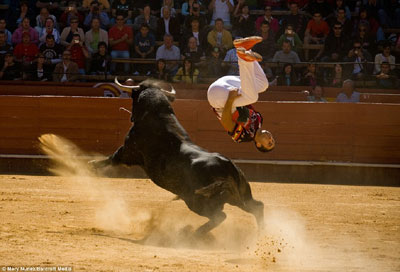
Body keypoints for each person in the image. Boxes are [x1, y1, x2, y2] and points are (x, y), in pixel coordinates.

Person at [207, 36, 275, 152]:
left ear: (258, 145)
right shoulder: (259, 119)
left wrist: (229, 100)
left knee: (253, 97)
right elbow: (245, 98)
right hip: (227, 84)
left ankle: (244, 57)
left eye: (269, 143)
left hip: (218, 98)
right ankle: (245, 50)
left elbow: (226, 122)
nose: (271, 138)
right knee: (263, 85)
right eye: (273, 140)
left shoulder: (244, 137)